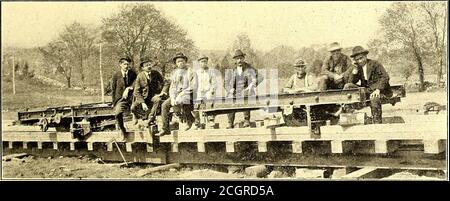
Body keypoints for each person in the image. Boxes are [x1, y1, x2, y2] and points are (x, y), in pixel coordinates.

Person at [344, 46, 392, 124]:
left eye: (361, 58)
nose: (360, 61)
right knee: (348, 86)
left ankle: (377, 123)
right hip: (366, 90)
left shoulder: (375, 64)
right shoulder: (357, 67)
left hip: (379, 91)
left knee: (374, 98)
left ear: (365, 56)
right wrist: (354, 71)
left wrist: (378, 89)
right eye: (357, 59)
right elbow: (351, 82)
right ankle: (349, 118)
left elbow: (385, 77)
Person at [157, 52, 197, 136]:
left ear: (185, 61)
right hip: (177, 95)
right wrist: (172, 97)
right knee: (164, 105)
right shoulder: (175, 73)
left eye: (182, 61)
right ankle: (165, 128)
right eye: (178, 62)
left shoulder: (191, 72)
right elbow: (172, 87)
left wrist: (181, 94)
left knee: (183, 100)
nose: (180, 63)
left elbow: (193, 86)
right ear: (176, 63)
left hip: (189, 94)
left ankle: (189, 120)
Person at [224, 49, 264, 128]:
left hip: (245, 90)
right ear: (235, 60)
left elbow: (260, 77)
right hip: (234, 91)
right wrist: (230, 89)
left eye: (241, 58)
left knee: (246, 97)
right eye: (237, 59)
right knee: (229, 99)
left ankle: (246, 120)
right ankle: (230, 122)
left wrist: (252, 85)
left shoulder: (249, 67)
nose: (239, 60)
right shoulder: (231, 69)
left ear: (243, 58)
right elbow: (225, 83)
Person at [131, 56, 167, 126]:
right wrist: (142, 102)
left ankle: (151, 118)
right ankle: (138, 117)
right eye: (146, 65)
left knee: (158, 100)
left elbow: (166, 82)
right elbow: (136, 91)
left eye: (150, 64)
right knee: (133, 107)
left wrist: (163, 91)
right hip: (144, 97)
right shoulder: (140, 76)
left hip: (154, 96)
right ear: (142, 68)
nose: (149, 66)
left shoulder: (156, 73)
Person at [111, 57, 137, 140]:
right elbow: (113, 90)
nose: (126, 66)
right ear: (120, 65)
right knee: (117, 113)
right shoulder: (116, 75)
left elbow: (136, 82)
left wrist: (129, 88)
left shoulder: (133, 74)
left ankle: (137, 121)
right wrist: (114, 103)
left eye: (128, 64)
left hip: (132, 97)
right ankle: (123, 130)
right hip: (121, 98)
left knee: (136, 108)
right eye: (124, 64)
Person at [191, 54, 217, 130]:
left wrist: (212, 89)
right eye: (202, 62)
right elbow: (193, 83)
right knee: (195, 103)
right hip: (199, 91)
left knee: (209, 100)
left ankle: (210, 120)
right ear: (199, 63)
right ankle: (197, 121)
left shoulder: (211, 72)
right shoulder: (196, 72)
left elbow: (214, 83)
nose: (203, 63)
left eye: (205, 61)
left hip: (208, 91)